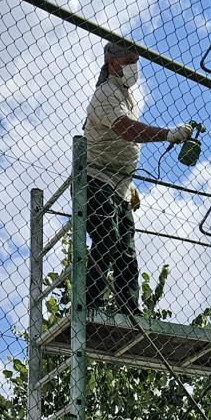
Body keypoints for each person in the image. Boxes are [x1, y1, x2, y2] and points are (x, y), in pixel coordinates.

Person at [84, 41, 197, 314]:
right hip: (97, 178)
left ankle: (127, 308)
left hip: (119, 185)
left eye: (136, 61)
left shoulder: (127, 97)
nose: (134, 68)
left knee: (127, 251)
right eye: (129, 61)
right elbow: (126, 130)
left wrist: (129, 181)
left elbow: (121, 141)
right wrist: (167, 134)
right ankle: (88, 303)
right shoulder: (106, 94)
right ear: (113, 64)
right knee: (107, 238)